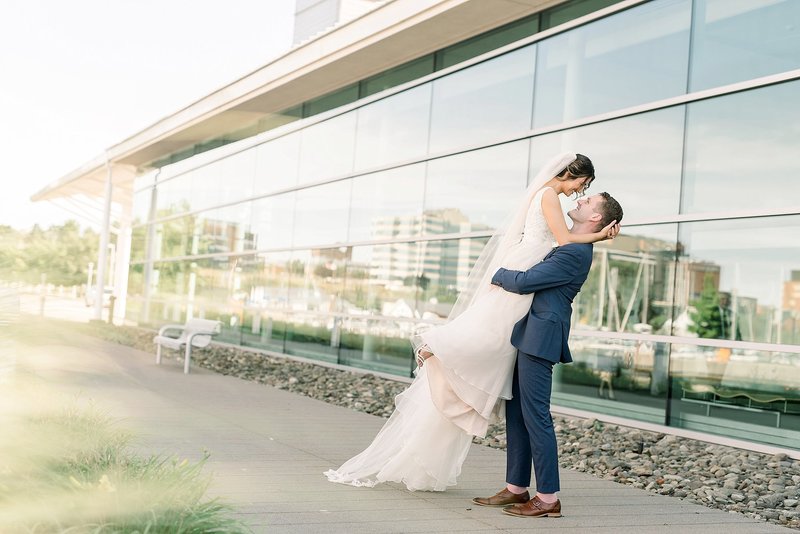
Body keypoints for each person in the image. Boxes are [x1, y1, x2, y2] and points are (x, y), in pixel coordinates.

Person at [324, 153, 619, 491]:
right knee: (494, 333)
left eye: (587, 193)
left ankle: (443, 353)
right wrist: (599, 237)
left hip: (527, 274)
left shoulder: (558, 218)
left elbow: (564, 240)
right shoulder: (549, 197)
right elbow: (564, 240)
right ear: (571, 173)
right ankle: (441, 348)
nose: (580, 192)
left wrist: (593, 237)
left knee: (496, 336)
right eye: (584, 184)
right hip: (524, 267)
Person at [473, 191, 624, 517]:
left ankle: (548, 498)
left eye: (588, 202)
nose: (580, 201)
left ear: (596, 218)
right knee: (517, 414)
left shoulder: (575, 252)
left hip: (541, 338)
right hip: (529, 333)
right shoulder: (570, 244)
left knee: (537, 417)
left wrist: (496, 274)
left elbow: (528, 281)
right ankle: (516, 488)